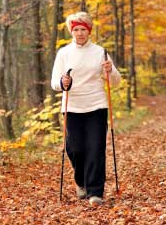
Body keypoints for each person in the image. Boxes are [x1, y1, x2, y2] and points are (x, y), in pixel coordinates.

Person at [51, 11, 121, 206]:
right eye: (76, 29)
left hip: (96, 105)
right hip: (72, 106)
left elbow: (115, 81)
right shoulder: (64, 53)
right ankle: (81, 181)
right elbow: (54, 84)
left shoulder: (100, 52)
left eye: (83, 29)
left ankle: (95, 192)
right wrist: (62, 81)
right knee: (75, 149)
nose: (80, 33)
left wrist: (110, 70)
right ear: (71, 31)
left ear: (89, 31)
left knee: (96, 148)